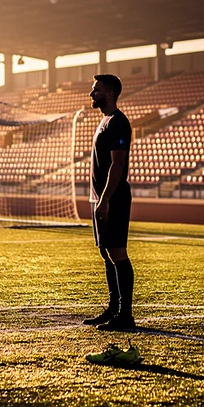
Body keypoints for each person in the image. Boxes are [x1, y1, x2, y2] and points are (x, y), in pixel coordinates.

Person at [82, 74, 136, 331]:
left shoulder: (118, 122)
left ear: (110, 93)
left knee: (117, 253)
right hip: (101, 198)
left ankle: (125, 315)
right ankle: (114, 309)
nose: (92, 94)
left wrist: (105, 199)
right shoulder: (105, 121)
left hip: (112, 198)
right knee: (106, 253)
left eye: (96, 90)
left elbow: (118, 165)